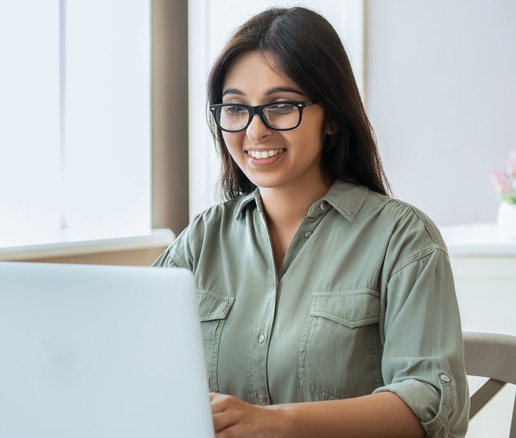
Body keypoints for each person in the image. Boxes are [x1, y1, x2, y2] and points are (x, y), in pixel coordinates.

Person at [152, 7, 468, 438]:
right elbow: (134, 362)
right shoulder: (201, 241)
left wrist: (276, 423)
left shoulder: (405, 239)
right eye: (235, 108)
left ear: (333, 117)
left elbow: (432, 404)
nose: (255, 131)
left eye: (281, 106)